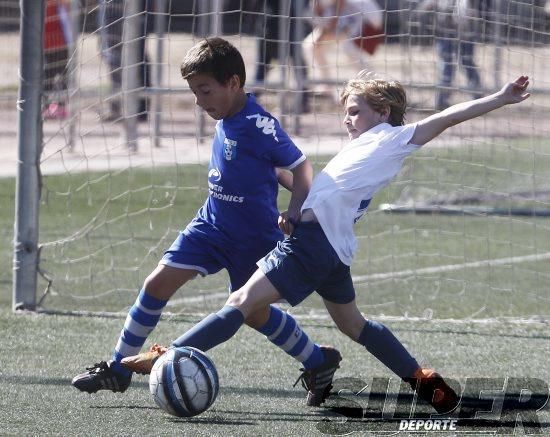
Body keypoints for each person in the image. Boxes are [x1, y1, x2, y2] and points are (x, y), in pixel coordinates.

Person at [122, 72, 531, 413]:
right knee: (354, 325)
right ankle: (431, 388)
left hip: (312, 247)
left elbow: (446, 117)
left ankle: (167, 355)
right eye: (346, 113)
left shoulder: (393, 138)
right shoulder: (363, 149)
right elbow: (321, 190)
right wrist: (288, 198)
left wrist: (500, 97)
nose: (347, 120)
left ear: (383, 112)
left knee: (241, 303)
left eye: (355, 111)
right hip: (330, 248)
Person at [72, 37, 341, 407]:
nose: (199, 101)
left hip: (253, 236)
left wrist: (295, 211)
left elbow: (301, 167)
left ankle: (317, 360)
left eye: (205, 91)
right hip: (211, 224)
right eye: (194, 92)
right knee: (156, 283)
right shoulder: (225, 114)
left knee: (255, 314)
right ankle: (118, 367)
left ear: (233, 82)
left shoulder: (258, 122)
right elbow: (266, 169)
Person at [302, 0, 383, 96]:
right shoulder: (313, 7)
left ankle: (374, 85)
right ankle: (325, 86)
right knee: (310, 45)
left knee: (349, 48)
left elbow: (340, 2)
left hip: (364, 14)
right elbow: (324, 19)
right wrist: (325, 29)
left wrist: (333, 22)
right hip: (345, 17)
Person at [418, 0, 485, 110]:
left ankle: (478, 97)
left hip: (465, 31)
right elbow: (426, 6)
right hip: (445, 31)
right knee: (447, 64)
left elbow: (472, 11)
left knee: (467, 62)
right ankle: (441, 100)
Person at [97, 0, 151, 122]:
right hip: (116, 6)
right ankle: (133, 107)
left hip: (120, 6)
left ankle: (133, 107)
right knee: (117, 52)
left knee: (123, 53)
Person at [253, 0, 310, 111]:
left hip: (282, 28)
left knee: (262, 69)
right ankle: (251, 101)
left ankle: (303, 101)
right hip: (273, 28)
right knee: (261, 69)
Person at [43, 0, 73, 120]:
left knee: (62, 75)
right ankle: (45, 106)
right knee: (47, 76)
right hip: (48, 42)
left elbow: (68, 13)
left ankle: (60, 107)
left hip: (61, 42)